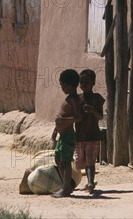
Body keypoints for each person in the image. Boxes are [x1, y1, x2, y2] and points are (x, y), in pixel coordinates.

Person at [51, 69, 82, 198]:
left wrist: (63, 121)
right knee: (58, 159)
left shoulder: (74, 100)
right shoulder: (68, 99)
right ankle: (66, 185)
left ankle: (66, 188)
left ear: (71, 85)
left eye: (63, 84)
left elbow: (78, 117)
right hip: (62, 135)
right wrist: (55, 132)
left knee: (65, 162)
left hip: (68, 135)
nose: (62, 87)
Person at [75, 69, 105, 193]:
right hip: (79, 136)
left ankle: (90, 182)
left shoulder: (97, 98)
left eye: (86, 82)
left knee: (90, 161)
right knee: (79, 162)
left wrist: (93, 110)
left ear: (93, 83)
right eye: (81, 82)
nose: (83, 85)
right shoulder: (77, 99)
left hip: (92, 136)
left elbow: (100, 117)